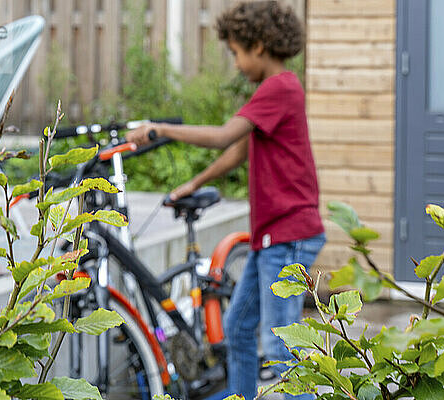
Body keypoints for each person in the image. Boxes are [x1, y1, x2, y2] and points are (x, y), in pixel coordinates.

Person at [127, 1, 325, 399]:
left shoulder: (280, 87)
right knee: (237, 329)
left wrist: (159, 129)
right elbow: (238, 149)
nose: (235, 64)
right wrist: (193, 182)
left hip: (287, 237)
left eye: (236, 53)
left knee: (281, 347)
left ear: (258, 46)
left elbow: (222, 135)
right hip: (271, 237)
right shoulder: (275, 91)